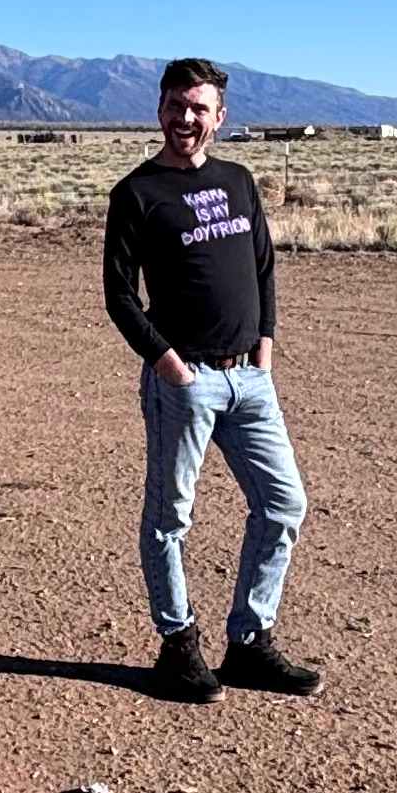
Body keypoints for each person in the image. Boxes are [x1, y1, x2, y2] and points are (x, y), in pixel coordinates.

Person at [101, 60, 319, 701]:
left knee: (284, 504)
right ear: (159, 110)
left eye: (199, 107)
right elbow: (119, 295)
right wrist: (168, 363)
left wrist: (267, 348)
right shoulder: (137, 194)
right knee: (171, 517)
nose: (186, 118)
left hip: (250, 379)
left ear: (219, 116)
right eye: (176, 105)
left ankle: (249, 642)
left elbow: (263, 268)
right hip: (185, 382)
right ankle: (178, 645)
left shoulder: (239, 181)